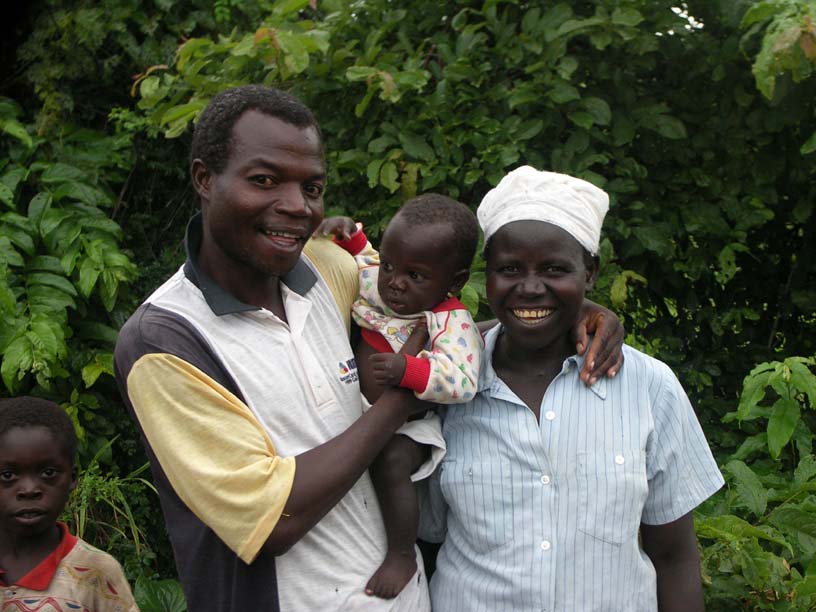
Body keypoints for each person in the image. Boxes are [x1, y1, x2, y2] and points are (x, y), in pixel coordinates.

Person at [114, 85, 624, 612]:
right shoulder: (166, 341)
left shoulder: (322, 274)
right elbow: (273, 521)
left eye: (312, 188)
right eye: (265, 180)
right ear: (204, 178)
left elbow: (429, 320)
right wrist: (401, 401)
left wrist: (570, 316)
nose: (296, 207)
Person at [421, 166, 725, 612]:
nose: (529, 287)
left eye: (554, 269)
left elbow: (674, 556)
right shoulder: (442, 386)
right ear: (484, 277)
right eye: (508, 269)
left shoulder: (648, 387)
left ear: (590, 274)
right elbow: (425, 544)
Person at [318, 194, 482, 599]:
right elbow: (368, 264)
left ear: (454, 282)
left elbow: (463, 379)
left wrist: (408, 370)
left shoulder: (450, 320)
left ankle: (402, 554)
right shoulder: (385, 285)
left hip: (412, 428)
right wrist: (351, 239)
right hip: (359, 412)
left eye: (415, 275)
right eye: (392, 266)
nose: (395, 282)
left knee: (390, 461)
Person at [0, 396, 138, 612]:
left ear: (72, 478)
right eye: (8, 475)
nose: (29, 490)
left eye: (48, 473)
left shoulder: (97, 573)